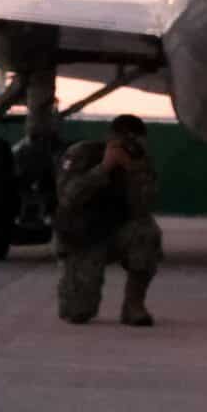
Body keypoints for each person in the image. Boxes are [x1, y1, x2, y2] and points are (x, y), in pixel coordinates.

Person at [55, 114, 163, 327]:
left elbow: (142, 207)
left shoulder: (139, 163)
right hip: (83, 237)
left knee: (147, 232)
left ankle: (133, 306)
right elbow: (68, 197)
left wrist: (134, 171)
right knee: (78, 313)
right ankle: (75, 291)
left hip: (116, 233)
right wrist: (104, 167)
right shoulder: (82, 154)